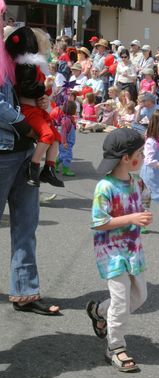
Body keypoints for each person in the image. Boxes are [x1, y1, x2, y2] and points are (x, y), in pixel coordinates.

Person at [0, 0, 59, 315]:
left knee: (26, 224)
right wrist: (23, 123)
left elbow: (20, 93)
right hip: (4, 149)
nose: (3, 20)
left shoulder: (10, 53)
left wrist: (39, 99)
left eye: (3, 15)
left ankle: (25, 293)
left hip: (23, 148)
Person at [87, 128, 152, 372]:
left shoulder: (136, 182)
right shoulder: (105, 187)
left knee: (139, 296)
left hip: (133, 249)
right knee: (122, 299)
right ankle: (115, 347)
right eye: (140, 153)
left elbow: (143, 199)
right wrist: (132, 218)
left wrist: (143, 215)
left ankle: (99, 311)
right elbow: (98, 222)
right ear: (126, 158)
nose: (143, 157)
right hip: (111, 252)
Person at [5, 26, 64, 188]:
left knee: (56, 137)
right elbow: (28, 88)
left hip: (37, 109)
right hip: (29, 110)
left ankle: (49, 168)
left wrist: (46, 91)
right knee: (46, 134)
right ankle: (34, 168)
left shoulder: (35, 66)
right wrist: (44, 88)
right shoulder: (26, 66)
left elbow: (41, 90)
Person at [56, 100, 76, 176]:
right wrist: (64, 142)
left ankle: (54, 164)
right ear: (73, 110)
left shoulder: (69, 118)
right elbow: (63, 132)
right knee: (68, 156)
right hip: (66, 143)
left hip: (67, 143)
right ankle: (66, 170)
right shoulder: (67, 120)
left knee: (62, 155)